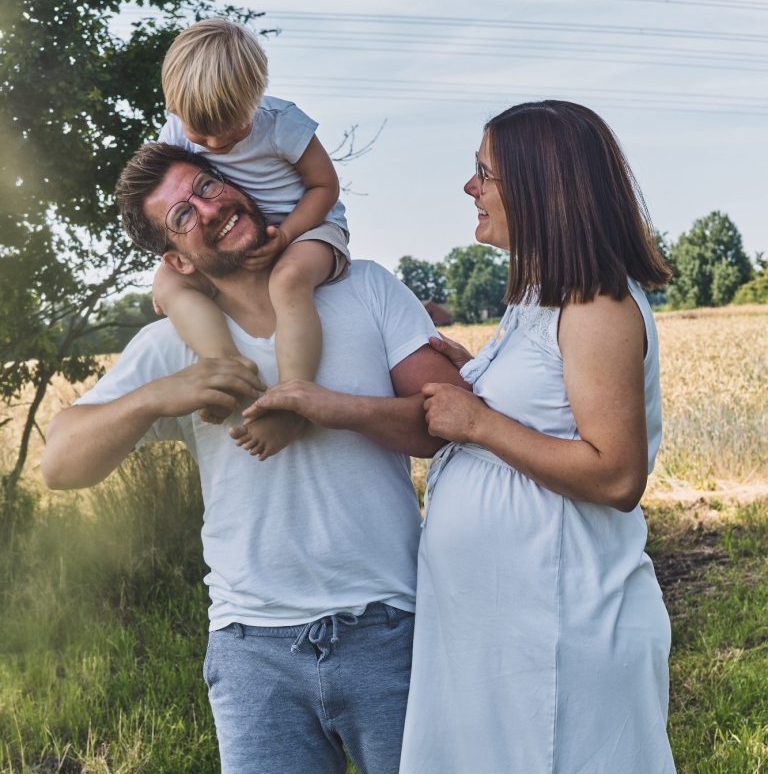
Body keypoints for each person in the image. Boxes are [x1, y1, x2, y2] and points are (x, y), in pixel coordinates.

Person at [41, 143, 461, 774]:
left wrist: (326, 404)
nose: (207, 208)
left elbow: (446, 421)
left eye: (207, 187)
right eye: (182, 215)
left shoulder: (364, 289)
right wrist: (157, 397)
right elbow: (59, 464)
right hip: (251, 650)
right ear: (177, 259)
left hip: (390, 627)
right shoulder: (171, 346)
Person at [397, 101, 677, 773]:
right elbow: (549, 405)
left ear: (541, 185)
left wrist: (480, 422)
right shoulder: (539, 297)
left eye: (485, 173)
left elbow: (615, 475)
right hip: (506, 635)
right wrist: (478, 375)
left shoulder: (597, 305)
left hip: (561, 635)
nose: (471, 188)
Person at [155, 18, 349, 452]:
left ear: (254, 102)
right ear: (174, 107)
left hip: (309, 230)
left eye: (229, 129)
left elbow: (325, 187)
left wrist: (287, 236)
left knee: (289, 281)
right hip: (238, 239)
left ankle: (292, 403)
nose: (212, 141)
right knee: (168, 283)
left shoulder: (282, 123)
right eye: (198, 132)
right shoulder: (175, 129)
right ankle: (226, 368)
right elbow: (166, 197)